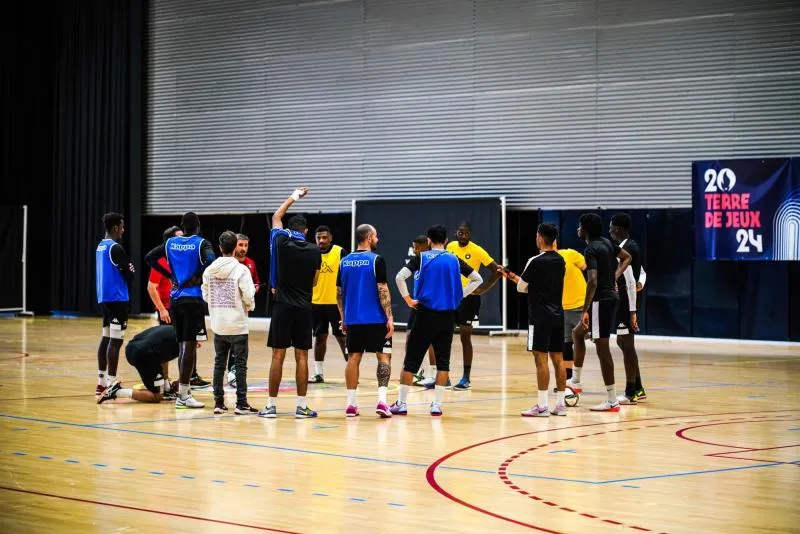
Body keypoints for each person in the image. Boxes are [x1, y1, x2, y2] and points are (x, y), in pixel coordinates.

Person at [392, 225, 482, 416]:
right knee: (443, 362)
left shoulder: (422, 257)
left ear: (429, 240)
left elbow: (400, 277)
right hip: (447, 317)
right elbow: (478, 279)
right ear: (447, 241)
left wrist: (408, 299)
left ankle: (401, 403)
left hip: (424, 315)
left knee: (411, 361)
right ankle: (437, 405)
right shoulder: (454, 259)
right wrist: (460, 295)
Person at [259, 188, 322, 419]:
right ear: (305, 231)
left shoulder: (280, 241)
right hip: (304, 306)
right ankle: (302, 407)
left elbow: (276, 216)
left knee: (278, 355)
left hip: (282, 305)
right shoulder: (315, 250)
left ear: (290, 229)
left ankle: (271, 406)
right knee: (302, 356)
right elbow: (315, 281)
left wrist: (295, 196)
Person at [145, 212, 215, 409]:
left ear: (183, 227)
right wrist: (197, 276)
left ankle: (184, 393)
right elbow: (211, 260)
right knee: (189, 347)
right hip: (192, 299)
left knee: (182, 345)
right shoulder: (201, 243)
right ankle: (183, 395)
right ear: (198, 226)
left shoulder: (170, 244)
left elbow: (149, 257)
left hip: (175, 300)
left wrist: (169, 275)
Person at [504, 224, 568, 416]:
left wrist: (515, 279)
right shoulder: (561, 260)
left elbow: (521, 288)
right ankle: (561, 405)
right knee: (558, 359)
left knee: (541, 360)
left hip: (539, 317)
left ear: (540, 237)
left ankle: (542, 406)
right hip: (558, 315)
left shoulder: (535, 260)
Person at [571, 213, 632, 412]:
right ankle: (576, 381)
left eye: (579, 227)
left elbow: (593, 281)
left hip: (600, 301)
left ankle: (612, 399)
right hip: (611, 298)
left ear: (586, 229)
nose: (577, 230)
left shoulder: (590, 249)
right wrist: (614, 276)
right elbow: (627, 258)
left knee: (602, 348)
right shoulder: (606, 242)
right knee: (577, 333)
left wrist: (585, 309)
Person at [337, 224, 394, 418]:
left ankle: (351, 404)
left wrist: (343, 317)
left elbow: (339, 293)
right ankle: (382, 402)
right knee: (384, 357)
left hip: (353, 319)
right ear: (369, 237)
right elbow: (382, 289)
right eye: (376, 236)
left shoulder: (344, 261)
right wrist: (389, 317)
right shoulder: (376, 260)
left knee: (354, 357)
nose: (377, 240)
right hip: (376, 319)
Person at [203, 230, 258, 415]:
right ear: (235, 247)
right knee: (240, 365)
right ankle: (241, 403)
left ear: (219, 247)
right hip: (237, 324)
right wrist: (248, 307)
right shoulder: (241, 270)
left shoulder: (209, 270)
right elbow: (249, 295)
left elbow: (205, 294)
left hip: (219, 324)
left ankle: (219, 403)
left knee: (219, 363)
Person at [445, 222, 502, 390]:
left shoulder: (477, 250)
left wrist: (482, 289)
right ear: (456, 233)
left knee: (465, 336)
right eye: (460, 232)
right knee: (445, 334)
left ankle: (466, 378)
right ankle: (444, 375)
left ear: (470, 235)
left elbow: (497, 271)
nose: (462, 235)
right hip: (452, 296)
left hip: (469, 298)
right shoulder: (450, 246)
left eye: (466, 233)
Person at [95, 213, 135, 395]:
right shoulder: (115, 248)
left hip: (104, 298)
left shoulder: (100, 246)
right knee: (116, 341)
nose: (123, 230)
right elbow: (129, 274)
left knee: (106, 337)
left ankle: (101, 381)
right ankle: (111, 382)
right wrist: (130, 270)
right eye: (122, 226)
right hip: (118, 300)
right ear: (115, 228)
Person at [610, 213, 647, 404]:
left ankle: (630, 391)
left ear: (617, 228)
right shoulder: (631, 245)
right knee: (622, 343)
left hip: (627, 301)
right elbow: (641, 273)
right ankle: (638, 387)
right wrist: (642, 282)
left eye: (611, 227)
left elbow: (631, 280)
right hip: (625, 300)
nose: (609, 231)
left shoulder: (626, 249)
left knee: (627, 344)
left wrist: (632, 311)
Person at [98, 325, 182, 404]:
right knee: (157, 396)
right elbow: (185, 369)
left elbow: (163, 357)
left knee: (162, 390)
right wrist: (181, 384)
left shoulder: (174, 329)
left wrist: (167, 386)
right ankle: (117, 391)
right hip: (144, 355)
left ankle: (166, 389)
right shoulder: (185, 343)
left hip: (131, 349)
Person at [310, 225, 348, 383]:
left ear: (330, 238)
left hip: (336, 304)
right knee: (320, 338)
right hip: (317, 303)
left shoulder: (340, 252)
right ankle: (318, 373)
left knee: (342, 338)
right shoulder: (311, 253)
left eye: (325, 237)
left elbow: (348, 276)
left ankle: (351, 369)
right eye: (319, 238)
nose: (321, 241)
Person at [226, 233, 261, 387]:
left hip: (243, 312)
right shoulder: (227, 264)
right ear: (233, 245)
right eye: (240, 245)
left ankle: (235, 373)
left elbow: (256, 282)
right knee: (228, 344)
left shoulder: (251, 264)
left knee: (240, 345)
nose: (243, 249)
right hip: (227, 312)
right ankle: (230, 373)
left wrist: (255, 288)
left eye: (246, 245)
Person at [555, 240, 586, 403]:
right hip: (563, 308)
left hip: (581, 305)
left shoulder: (570, 253)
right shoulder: (542, 261)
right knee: (566, 344)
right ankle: (568, 381)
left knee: (585, 340)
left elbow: (588, 269)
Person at [407, 235, 439, 388]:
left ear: (427, 246)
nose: (414, 250)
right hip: (416, 304)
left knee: (432, 341)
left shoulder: (432, 261)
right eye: (413, 247)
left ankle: (433, 374)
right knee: (409, 337)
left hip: (430, 305)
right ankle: (416, 370)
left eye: (417, 247)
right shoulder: (416, 261)